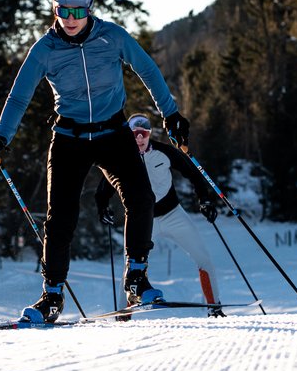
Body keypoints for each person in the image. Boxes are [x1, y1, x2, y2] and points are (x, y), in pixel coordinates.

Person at [0, 0, 189, 323]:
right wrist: (2, 137)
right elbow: (19, 97)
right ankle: (51, 296)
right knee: (60, 218)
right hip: (69, 139)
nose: (70, 18)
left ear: (90, 7)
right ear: (54, 9)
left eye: (78, 11)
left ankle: (137, 279)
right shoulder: (44, 50)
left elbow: (148, 71)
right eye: (62, 11)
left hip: (113, 133)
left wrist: (171, 113)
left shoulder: (113, 37)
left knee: (141, 197)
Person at [95, 114, 226, 317]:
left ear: (149, 134)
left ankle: (214, 309)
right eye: (135, 134)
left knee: (204, 259)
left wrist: (205, 200)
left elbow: (193, 173)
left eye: (143, 134)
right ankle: (123, 316)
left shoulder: (164, 151)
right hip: (143, 221)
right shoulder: (122, 158)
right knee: (131, 267)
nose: (140, 138)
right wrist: (103, 207)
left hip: (174, 214)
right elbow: (105, 187)